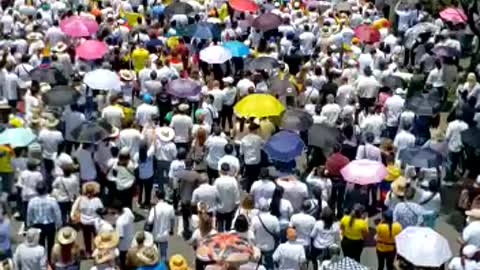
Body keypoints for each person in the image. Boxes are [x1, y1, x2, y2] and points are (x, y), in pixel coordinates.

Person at [26, 181, 62, 259]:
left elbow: (29, 213)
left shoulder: (32, 201)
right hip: (50, 225)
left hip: (37, 225)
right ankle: (50, 259)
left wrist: (29, 224)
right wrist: (59, 224)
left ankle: (42, 260)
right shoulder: (52, 200)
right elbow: (57, 213)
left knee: (40, 244)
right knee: (51, 244)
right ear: (46, 189)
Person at [72, 181, 104, 257]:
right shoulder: (97, 200)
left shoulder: (81, 199)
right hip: (94, 222)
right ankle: (97, 251)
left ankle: (88, 252)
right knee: (97, 237)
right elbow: (101, 209)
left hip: (84, 222)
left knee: (87, 238)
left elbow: (77, 209)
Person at [146, 189, 175, 262]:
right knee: (163, 255)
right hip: (165, 235)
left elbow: (150, 221)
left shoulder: (154, 208)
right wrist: (171, 230)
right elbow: (172, 220)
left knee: (153, 254)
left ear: (156, 197)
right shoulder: (170, 207)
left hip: (155, 234)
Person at [252, 198, 280, 270]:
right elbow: (277, 233)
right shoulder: (274, 219)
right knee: (270, 264)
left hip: (258, 246)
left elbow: (252, 232)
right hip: (270, 246)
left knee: (257, 265)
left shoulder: (255, 219)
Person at [214, 163, 240, 232]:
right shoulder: (233, 181)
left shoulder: (217, 181)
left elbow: (214, 194)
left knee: (219, 225)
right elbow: (236, 196)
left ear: (221, 170)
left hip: (219, 208)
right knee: (228, 227)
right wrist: (236, 206)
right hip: (230, 208)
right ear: (229, 170)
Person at [240, 123, 264, 192]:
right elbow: (263, 145)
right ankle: (255, 190)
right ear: (255, 130)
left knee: (249, 177)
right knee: (255, 176)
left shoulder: (244, 139)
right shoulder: (258, 138)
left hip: (248, 162)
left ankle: (248, 189)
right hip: (257, 161)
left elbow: (241, 152)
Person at [112, 201, 135, 269]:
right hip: (130, 240)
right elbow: (133, 218)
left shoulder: (120, 222)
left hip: (123, 246)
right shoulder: (127, 210)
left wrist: (114, 245)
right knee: (130, 261)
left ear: (116, 209)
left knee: (123, 263)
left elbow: (120, 236)